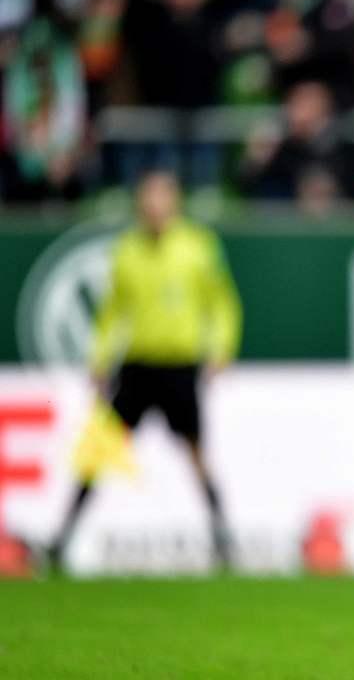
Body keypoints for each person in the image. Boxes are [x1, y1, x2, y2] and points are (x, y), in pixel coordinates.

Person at [49, 171, 242, 570]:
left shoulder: (198, 247)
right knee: (100, 449)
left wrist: (221, 350)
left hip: (180, 364)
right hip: (137, 365)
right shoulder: (126, 251)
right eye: (148, 199)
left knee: (195, 452)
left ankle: (223, 537)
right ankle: (63, 537)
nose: (155, 207)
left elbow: (222, 303)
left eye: (162, 198)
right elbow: (111, 311)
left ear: (174, 203)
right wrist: (100, 359)